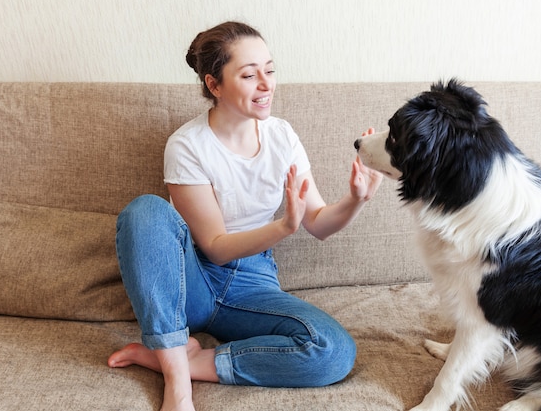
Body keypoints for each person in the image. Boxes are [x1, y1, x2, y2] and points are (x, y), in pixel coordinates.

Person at [108, 21, 384, 411]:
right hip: (191, 279)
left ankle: (188, 361)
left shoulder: (283, 136)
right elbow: (216, 248)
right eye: (249, 75)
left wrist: (356, 199)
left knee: (333, 351)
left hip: (252, 283)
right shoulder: (187, 146)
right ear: (215, 85)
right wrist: (283, 226)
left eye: (270, 71)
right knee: (144, 211)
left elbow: (319, 222)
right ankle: (177, 384)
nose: (266, 84)